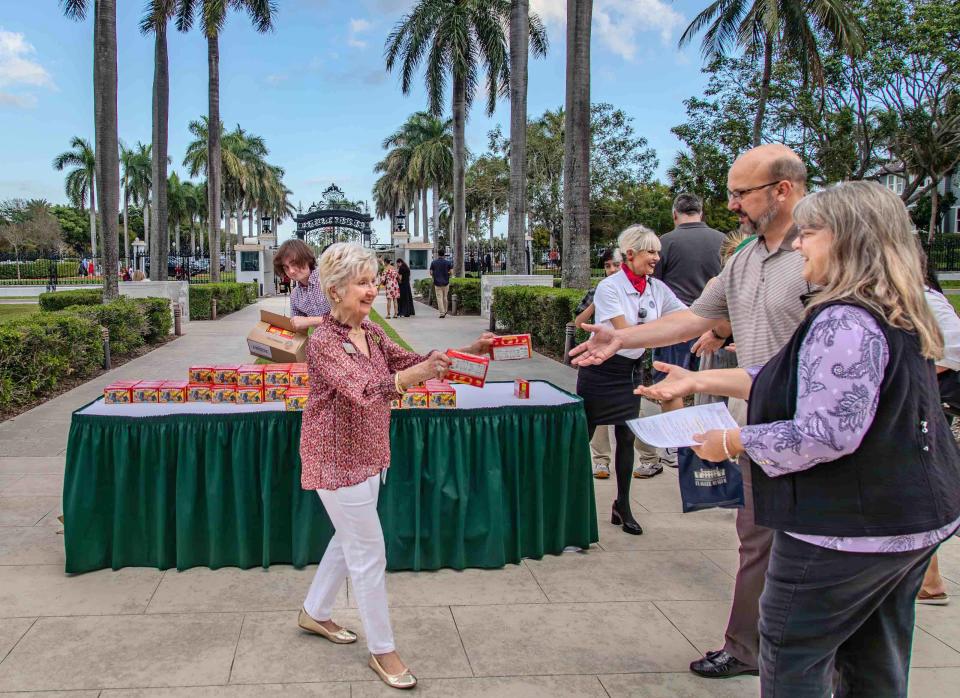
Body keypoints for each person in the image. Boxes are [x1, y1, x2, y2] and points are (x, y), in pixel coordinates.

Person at [639, 180, 960, 697]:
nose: (796, 244)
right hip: (912, 519)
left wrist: (733, 441)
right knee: (875, 660)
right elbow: (790, 378)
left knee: (793, 655)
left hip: (846, 528)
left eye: (809, 233)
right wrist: (699, 380)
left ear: (848, 239)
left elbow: (824, 434)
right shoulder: (898, 305)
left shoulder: (843, 319)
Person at [572, 143, 811, 679]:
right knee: (754, 539)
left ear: (783, 190)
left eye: (740, 193)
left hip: (814, 433)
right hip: (757, 424)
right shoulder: (745, 258)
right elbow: (693, 317)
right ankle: (747, 648)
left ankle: (806, 654)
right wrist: (621, 337)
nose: (731, 206)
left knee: (810, 553)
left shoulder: (824, 255)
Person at [298, 242, 493, 690]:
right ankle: (382, 651)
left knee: (348, 540)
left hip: (370, 452)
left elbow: (410, 362)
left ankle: (314, 613)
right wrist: (413, 377)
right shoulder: (324, 342)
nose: (372, 289)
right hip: (335, 460)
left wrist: (464, 352)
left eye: (373, 280)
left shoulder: (371, 331)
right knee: (368, 552)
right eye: (362, 282)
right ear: (334, 289)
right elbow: (365, 389)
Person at [576, 225, 687, 535]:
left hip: (630, 373)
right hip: (600, 373)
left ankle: (622, 505)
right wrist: (662, 332)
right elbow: (625, 333)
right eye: (650, 252)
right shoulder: (609, 287)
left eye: (657, 252)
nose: (656, 258)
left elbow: (685, 316)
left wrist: (711, 329)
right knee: (580, 439)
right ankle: (572, 505)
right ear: (631, 255)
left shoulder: (657, 289)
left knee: (626, 439)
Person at [649, 193, 726, 469]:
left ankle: (675, 447)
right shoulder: (723, 241)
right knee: (712, 389)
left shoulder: (664, 243)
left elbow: (653, 288)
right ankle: (712, 446)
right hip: (716, 327)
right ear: (701, 212)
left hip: (676, 327)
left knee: (670, 386)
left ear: (675, 214)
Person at [574, 248, 623, 479]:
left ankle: (649, 458)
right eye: (607, 266)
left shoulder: (637, 291)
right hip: (598, 356)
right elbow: (578, 321)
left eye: (616, 265)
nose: (611, 270)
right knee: (597, 410)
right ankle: (601, 461)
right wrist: (595, 303)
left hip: (626, 361)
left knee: (632, 414)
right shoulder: (598, 289)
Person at [274, 239, 331, 330]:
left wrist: (309, 321)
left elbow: (348, 318)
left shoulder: (329, 280)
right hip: (322, 342)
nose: (291, 271)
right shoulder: (295, 296)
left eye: (294, 263)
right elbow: (297, 328)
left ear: (307, 259)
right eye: (286, 268)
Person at [429, 252, 453, 318]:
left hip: (437, 283)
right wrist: (447, 274)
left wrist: (435, 275)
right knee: (445, 297)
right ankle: (445, 311)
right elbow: (451, 272)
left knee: (439, 298)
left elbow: (431, 273)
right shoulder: (448, 263)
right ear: (444, 255)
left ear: (438, 254)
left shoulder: (433, 263)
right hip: (446, 282)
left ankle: (442, 313)